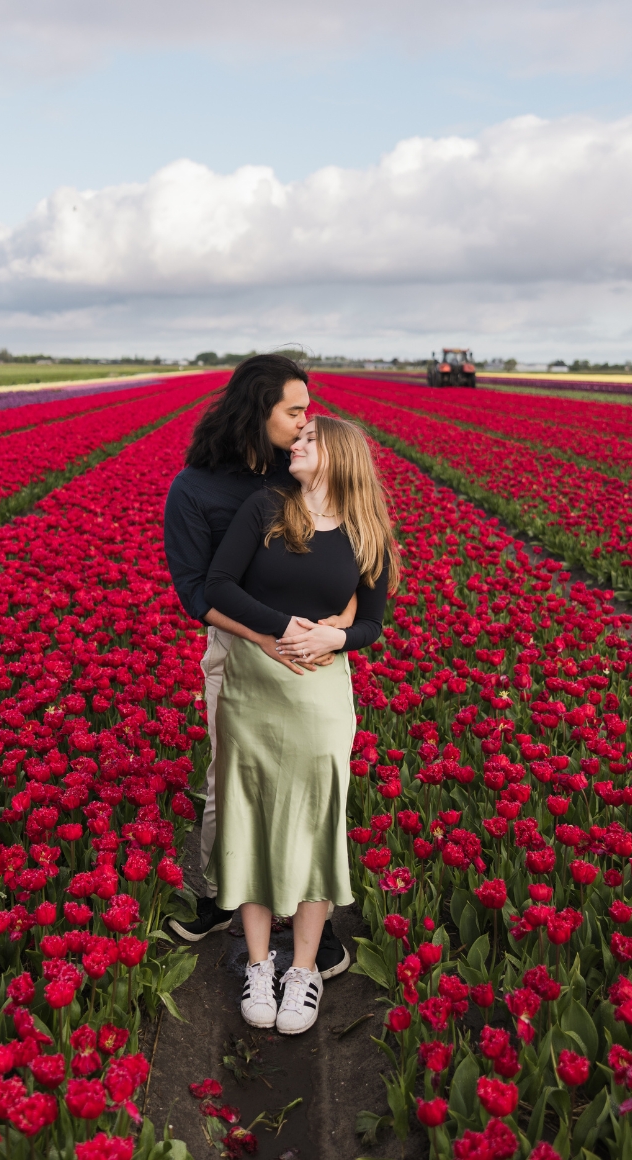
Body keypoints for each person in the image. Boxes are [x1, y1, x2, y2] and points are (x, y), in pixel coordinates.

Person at [203, 414, 399, 1034]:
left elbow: (372, 622)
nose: (297, 443)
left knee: (316, 820)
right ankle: (260, 965)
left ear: (339, 455)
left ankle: (304, 970)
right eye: (299, 435)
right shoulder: (266, 507)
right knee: (254, 813)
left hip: (319, 692)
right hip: (254, 685)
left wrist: (336, 637)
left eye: (311, 439)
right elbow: (218, 585)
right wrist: (280, 629)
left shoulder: (369, 531)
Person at [163, 355, 355, 979]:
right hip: (239, 646)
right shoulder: (196, 489)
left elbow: (354, 552)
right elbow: (199, 592)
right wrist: (266, 636)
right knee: (230, 783)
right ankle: (223, 895)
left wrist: (335, 633)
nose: (306, 423)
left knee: (308, 790)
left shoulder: (299, 470)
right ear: (258, 410)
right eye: (294, 411)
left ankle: (308, 926)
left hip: (312, 652)